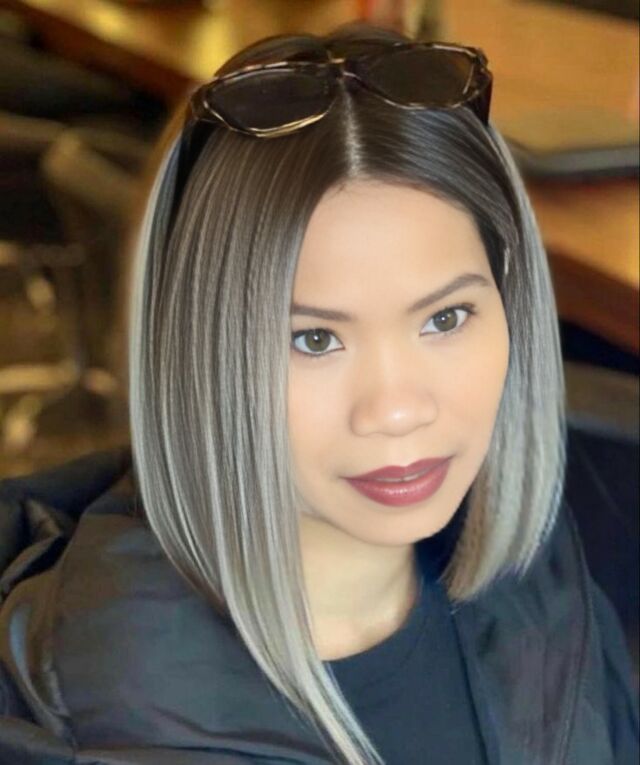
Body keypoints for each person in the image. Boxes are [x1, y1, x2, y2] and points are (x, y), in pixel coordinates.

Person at [0, 21, 638, 765]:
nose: (397, 408)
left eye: (445, 318)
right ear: (199, 355)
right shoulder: (107, 724)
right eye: (314, 339)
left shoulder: (540, 584)